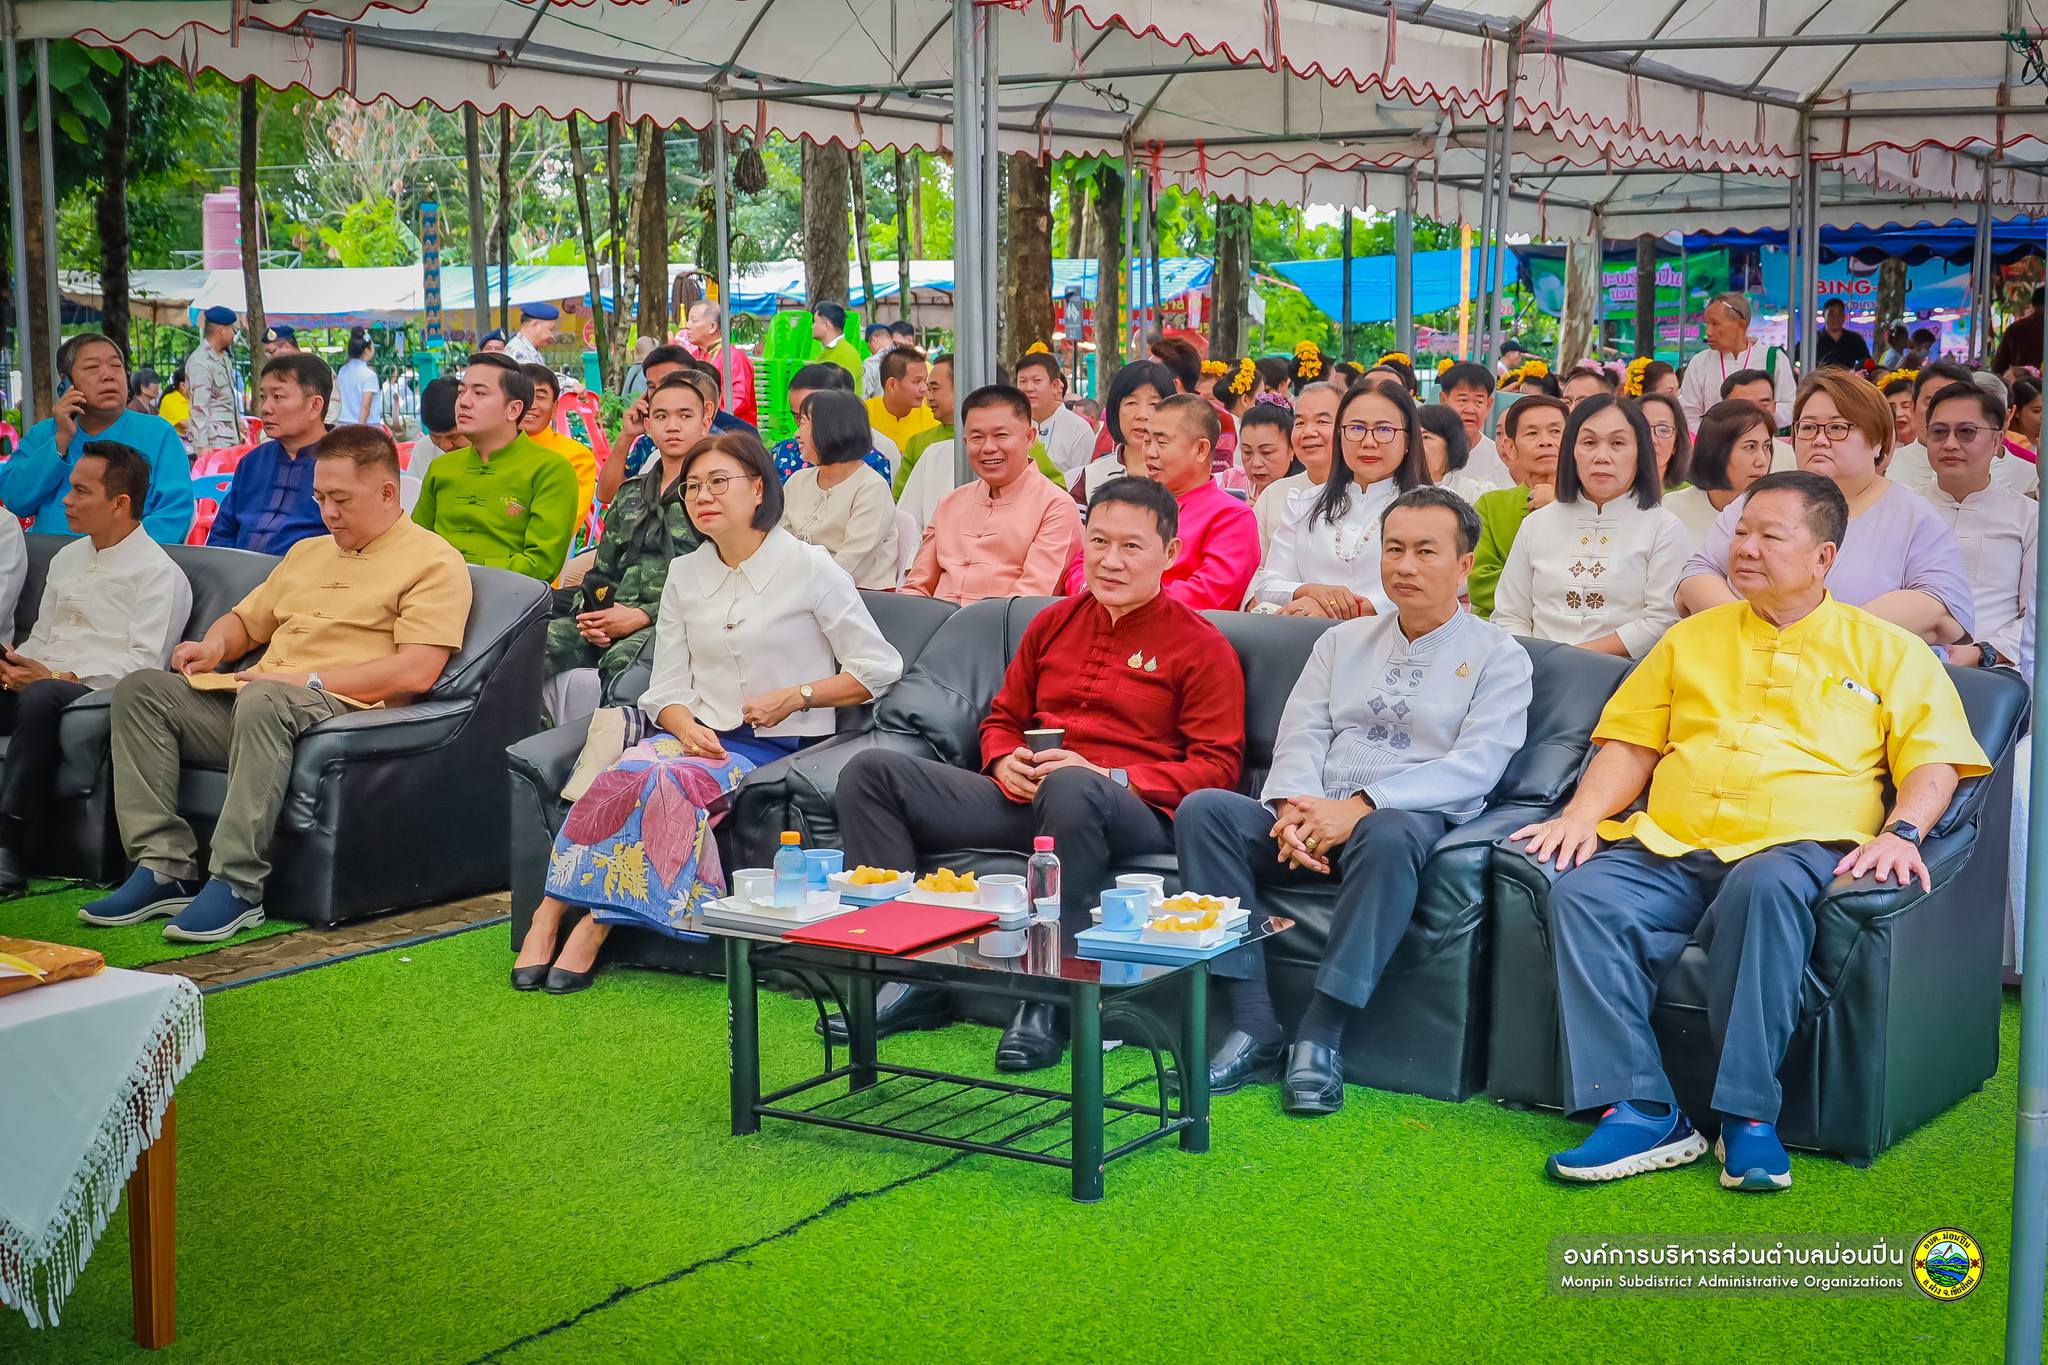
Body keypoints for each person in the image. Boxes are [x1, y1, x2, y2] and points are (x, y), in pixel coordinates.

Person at [1513, 470, 1989, 1192]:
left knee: (1762, 889)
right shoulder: (1690, 638)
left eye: (1772, 534)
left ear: (1824, 556)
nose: (1748, 547)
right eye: (1742, 530)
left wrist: (1904, 830)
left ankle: (1747, 1119)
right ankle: (1644, 1107)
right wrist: (1581, 815)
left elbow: (1932, 758)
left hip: (1795, 845)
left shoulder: (1888, 648)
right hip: (1672, 839)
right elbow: (1632, 743)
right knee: (1583, 895)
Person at [837, 476, 1245, 1068]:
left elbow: (1219, 766)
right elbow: (1001, 717)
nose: (1110, 560)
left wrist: (1110, 775)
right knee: (871, 772)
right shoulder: (1053, 622)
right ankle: (909, 976)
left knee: (1074, 784)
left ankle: (1048, 998)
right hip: (1033, 797)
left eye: (1132, 546)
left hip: (1128, 809)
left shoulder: (1200, 644)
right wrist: (1003, 758)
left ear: (1170, 553)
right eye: (1099, 541)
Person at [1179, 486, 1532, 1113]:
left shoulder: (1499, 656)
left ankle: (1321, 1033)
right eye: (1394, 549)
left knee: (1389, 830)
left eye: (1427, 551)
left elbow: (1478, 765)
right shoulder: (1341, 642)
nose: (1405, 565)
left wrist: (1364, 804)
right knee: (1205, 811)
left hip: (1402, 826)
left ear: (1464, 564)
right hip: (1315, 813)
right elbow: (1304, 730)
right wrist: (1294, 806)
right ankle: (1253, 1022)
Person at [527, 432, 904, 991]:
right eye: (694, 487)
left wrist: (796, 696)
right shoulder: (686, 574)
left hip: (770, 744)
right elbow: (666, 685)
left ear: (758, 489)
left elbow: (878, 667)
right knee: (620, 776)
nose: (703, 495)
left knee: (663, 780)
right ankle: (548, 913)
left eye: (719, 482)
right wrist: (682, 724)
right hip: (693, 734)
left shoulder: (810, 567)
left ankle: (595, 926)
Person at [82, 425, 473, 943]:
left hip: (342, 709)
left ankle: (237, 885)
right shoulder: (308, 552)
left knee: (267, 695)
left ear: (386, 492)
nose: (327, 512)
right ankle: (162, 867)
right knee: (141, 690)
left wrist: (304, 678)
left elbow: (416, 671)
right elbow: (247, 622)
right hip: (262, 701)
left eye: (340, 499)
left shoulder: (434, 561)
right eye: (319, 498)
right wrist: (213, 647)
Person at [0, 443, 190, 893]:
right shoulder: (66, 557)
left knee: (42, 695)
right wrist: (17, 664)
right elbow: (43, 636)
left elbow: (145, 667)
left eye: (81, 491)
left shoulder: (159, 574)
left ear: (120, 503)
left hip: (91, 694)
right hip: (38, 683)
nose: (67, 500)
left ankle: (7, 843)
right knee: (31, 688)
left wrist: (51, 678)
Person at [1678, 370, 1972, 646]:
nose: (1819, 440)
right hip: (1745, 664)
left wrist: (1823, 637)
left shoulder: (1911, 515)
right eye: (1807, 428)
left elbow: (1941, 606)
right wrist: (1750, 630)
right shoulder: (1758, 498)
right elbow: (1697, 575)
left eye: (1837, 427)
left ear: (1879, 442)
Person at [543, 372, 712, 722]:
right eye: (662, 417)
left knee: (624, 670)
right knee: (528, 650)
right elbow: (602, 571)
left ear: (706, 420)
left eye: (685, 415)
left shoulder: (712, 492)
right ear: (647, 424)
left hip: (672, 622)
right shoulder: (632, 492)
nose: (673, 426)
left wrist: (641, 616)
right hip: (611, 613)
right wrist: (589, 615)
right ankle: (533, 757)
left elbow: (722, 579)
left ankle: (611, 766)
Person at [1491, 395, 1687, 659]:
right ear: (1571, 450)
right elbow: (1509, 614)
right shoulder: (1536, 525)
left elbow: (1662, 619)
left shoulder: (1663, 527)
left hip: (1625, 678)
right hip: (1535, 674)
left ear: (1640, 451)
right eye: (1589, 442)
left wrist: (1575, 658)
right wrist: (1535, 662)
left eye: (1618, 443)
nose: (1601, 456)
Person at [1249, 379, 1430, 618]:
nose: (1368, 442)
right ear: (1340, 435)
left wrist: (1345, 609)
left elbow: (1437, 587)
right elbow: (1269, 584)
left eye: (1384, 430)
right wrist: (1311, 592)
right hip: (1312, 642)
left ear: (1408, 440)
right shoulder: (1305, 503)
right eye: (1356, 428)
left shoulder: (1434, 509)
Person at [1061, 394, 1258, 610]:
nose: (1149, 453)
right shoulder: (1127, 502)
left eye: (1162, 442)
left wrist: (1124, 599)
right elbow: (1080, 564)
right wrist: (1101, 597)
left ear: (1201, 449)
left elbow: (1209, 593)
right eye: (1147, 441)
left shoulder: (1232, 517)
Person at [2, 333, 194, 543]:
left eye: (116, 366)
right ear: (66, 383)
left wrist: (106, 554)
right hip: (49, 566)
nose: (108, 375)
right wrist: (60, 441)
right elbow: (15, 500)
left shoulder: (159, 433)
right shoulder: (44, 434)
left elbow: (175, 513)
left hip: (130, 566)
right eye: (93, 367)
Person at [901, 386, 1081, 605]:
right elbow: (917, 586)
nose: (988, 448)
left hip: (1005, 633)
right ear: (966, 442)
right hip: (934, 629)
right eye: (977, 437)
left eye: (1001, 435)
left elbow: (1031, 598)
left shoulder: (1055, 506)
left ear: (1029, 438)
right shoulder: (949, 503)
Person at [413, 352, 580, 583]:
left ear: (513, 409)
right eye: (462, 392)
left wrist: (462, 571)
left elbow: (540, 564)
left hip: (511, 603)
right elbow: (415, 544)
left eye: (480, 393)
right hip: (434, 595)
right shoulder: (440, 468)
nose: (464, 402)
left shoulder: (550, 470)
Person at [1920, 381, 2036, 670]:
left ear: (1997, 442)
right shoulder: (1905, 510)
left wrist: (1983, 652)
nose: (1950, 444)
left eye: (1966, 432)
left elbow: (2038, 616)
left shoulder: (2028, 517)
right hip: (1909, 665)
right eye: (1939, 432)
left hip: (1995, 673)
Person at [208, 353, 333, 554]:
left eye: (278, 397)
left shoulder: (344, 463)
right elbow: (222, 533)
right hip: (238, 578)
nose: (265, 408)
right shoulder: (251, 463)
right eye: (263, 397)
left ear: (314, 405)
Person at [781, 389, 900, 589]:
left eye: (803, 422)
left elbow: (852, 563)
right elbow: (780, 542)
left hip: (860, 597)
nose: (796, 434)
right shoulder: (797, 481)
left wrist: (795, 590)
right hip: (802, 591)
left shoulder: (871, 488)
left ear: (829, 428)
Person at [1468, 395, 1568, 618]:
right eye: (1532, 433)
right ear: (1510, 448)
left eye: (1555, 431)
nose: (1546, 441)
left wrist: (1560, 506)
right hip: (1501, 633)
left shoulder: (1589, 505)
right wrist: (1556, 592)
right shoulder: (1490, 505)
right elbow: (1480, 583)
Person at [1664, 399, 1776, 547]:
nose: (1762, 460)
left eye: (1766, 447)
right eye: (1750, 447)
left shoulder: (1777, 513)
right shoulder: (1672, 509)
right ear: (1716, 451)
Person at [1679, 293, 1795, 428]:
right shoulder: (1700, 362)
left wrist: (1759, 412)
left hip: (1761, 443)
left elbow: (1791, 408)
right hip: (1713, 445)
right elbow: (1687, 414)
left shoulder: (1774, 358)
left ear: (1741, 324)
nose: (1708, 332)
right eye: (1707, 324)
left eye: (1715, 324)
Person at [1253, 382, 1341, 554]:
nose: (1308, 432)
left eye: (1322, 421)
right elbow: (1254, 569)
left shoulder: (1364, 493)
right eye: (1299, 422)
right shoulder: (1274, 495)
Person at [599, 344, 693, 503]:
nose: (658, 393)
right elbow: (607, 495)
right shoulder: (649, 444)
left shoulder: (715, 441)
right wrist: (627, 435)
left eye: (667, 382)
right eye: (651, 386)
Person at [517, 362, 599, 540]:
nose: (531, 404)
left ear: (554, 409)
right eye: (524, 394)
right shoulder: (491, 448)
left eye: (540, 396)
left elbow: (565, 523)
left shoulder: (576, 457)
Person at [775, 362, 894, 485]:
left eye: (808, 417)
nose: (800, 427)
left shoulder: (871, 462)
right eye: (797, 417)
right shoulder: (783, 454)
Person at [1073, 361, 1174, 501]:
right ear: (1115, 409)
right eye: (1131, 403)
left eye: (1154, 404)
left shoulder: (1185, 476)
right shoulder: (1091, 477)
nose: (1142, 415)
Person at [1881, 359, 1974, 493]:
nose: (1942, 413)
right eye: (1932, 402)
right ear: (1913, 407)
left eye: (1952, 403)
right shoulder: (1886, 464)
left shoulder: (1984, 465)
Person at [1018, 351, 1096, 479]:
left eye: (1037, 380)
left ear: (1055, 385)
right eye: (1022, 381)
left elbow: (1080, 485)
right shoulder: (1013, 426)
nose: (1028, 388)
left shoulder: (1079, 429)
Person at [1436, 362, 1513, 488]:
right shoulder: (1425, 448)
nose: (1470, 410)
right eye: (1463, 400)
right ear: (1443, 400)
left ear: (1488, 405)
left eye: (1478, 401)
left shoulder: (1499, 458)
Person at [684, 300, 757, 426]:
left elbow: (737, 401)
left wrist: (704, 416)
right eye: (688, 320)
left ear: (712, 326)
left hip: (731, 431)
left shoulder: (732, 356)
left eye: (693, 320)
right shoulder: (694, 356)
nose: (687, 325)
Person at [183, 305, 243, 450]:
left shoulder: (223, 358)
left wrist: (239, 424)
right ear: (221, 330)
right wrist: (202, 447)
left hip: (230, 438)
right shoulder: (200, 362)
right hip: (214, 443)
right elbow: (199, 408)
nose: (234, 334)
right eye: (232, 329)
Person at [1417, 403, 1495, 504]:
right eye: (1413, 438)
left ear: (1451, 443)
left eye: (1426, 437)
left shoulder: (1474, 494)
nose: (1416, 445)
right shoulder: (1395, 490)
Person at [865, 347, 937, 453]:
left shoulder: (932, 420)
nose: (925, 388)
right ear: (892, 385)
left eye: (925, 381)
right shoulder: (863, 414)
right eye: (917, 381)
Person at [407, 375, 465, 492]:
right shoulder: (423, 448)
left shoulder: (488, 449)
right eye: (436, 436)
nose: (445, 445)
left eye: (452, 436)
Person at [1232, 402, 1297, 506]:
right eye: (1247, 452)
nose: (1256, 463)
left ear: (1292, 449)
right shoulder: (1230, 480)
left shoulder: (1305, 495)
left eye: (1266, 452)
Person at [1638, 391, 1693, 488]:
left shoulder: (1691, 498)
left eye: (1663, 430)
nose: (1652, 440)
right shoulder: (1612, 493)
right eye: (1643, 427)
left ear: (1676, 444)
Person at [1991, 287, 2047, 378]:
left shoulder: (2015, 328)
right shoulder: (2016, 328)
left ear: (2033, 305)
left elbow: (1998, 366)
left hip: (2023, 386)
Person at [333, 330, 382, 426]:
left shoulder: (342, 371)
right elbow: (365, 406)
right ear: (367, 351)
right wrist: (360, 429)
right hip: (365, 426)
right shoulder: (370, 375)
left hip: (342, 423)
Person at [1813, 298, 1872, 370]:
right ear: (1823, 315)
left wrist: (1856, 370)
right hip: (1820, 380)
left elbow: (1866, 360)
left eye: (1839, 314)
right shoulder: (1814, 339)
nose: (1836, 318)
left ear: (1844, 316)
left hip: (1846, 379)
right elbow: (1797, 360)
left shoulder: (1854, 338)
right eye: (1831, 314)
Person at [813, 303, 863, 387]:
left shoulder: (847, 354)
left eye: (815, 322)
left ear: (826, 325)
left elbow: (842, 391)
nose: (812, 326)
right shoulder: (827, 350)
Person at [503, 302, 559, 368]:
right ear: (536, 325)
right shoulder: (518, 351)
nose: (551, 335)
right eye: (551, 329)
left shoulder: (529, 349)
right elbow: (535, 377)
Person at [2008, 376, 2043, 463]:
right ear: (2017, 412)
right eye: (2037, 411)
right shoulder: (2009, 445)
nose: (2044, 416)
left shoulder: (2043, 444)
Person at [859, 321, 897, 398]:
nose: (871, 352)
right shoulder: (906, 358)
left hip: (878, 409)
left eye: (869, 348)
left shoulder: (869, 364)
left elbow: (863, 397)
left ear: (874, 340)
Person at [158, 368, 193, 448]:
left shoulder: (196, 399)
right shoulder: (170, 400)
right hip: (177, 448)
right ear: (183, 386)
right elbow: (185, 424)